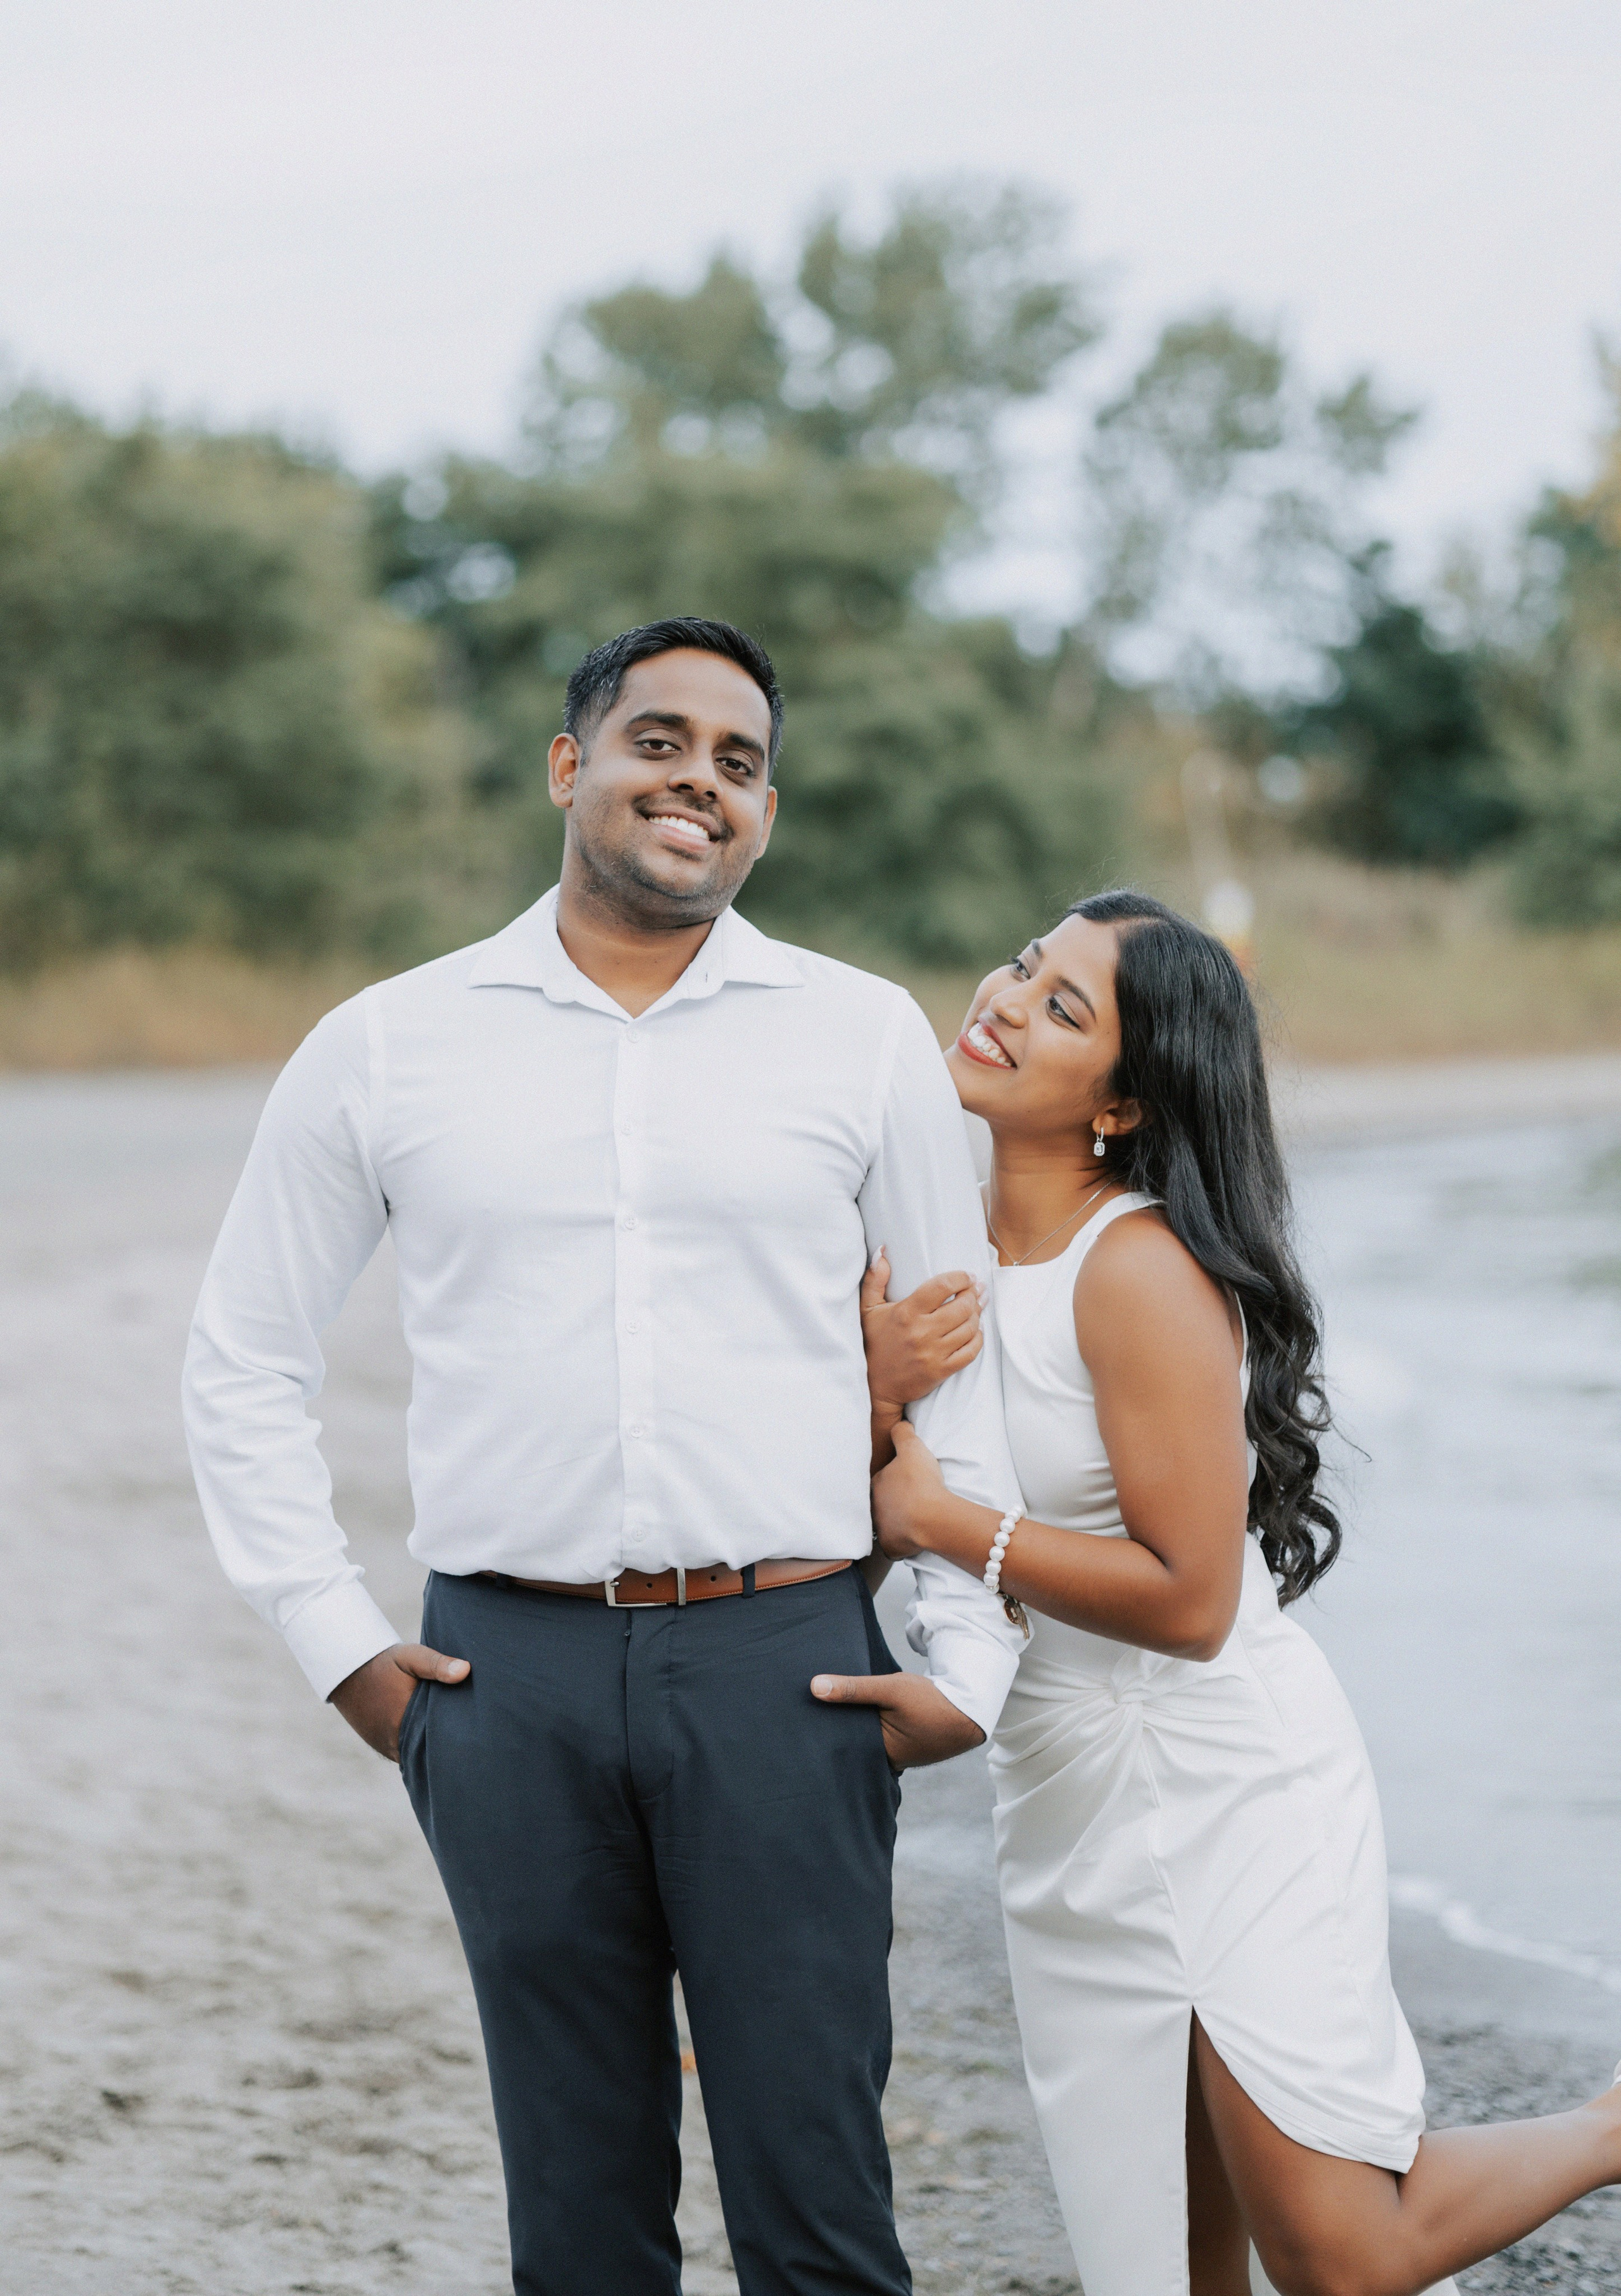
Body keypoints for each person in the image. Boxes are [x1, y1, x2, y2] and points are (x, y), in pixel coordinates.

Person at [181, 617, 1030, 2296]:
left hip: (789, 1666)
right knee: (576, 2211)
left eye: (737, 761)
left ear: (765, 813)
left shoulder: (857, 1036)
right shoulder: (388, 1042)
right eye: (659, 741)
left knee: (821, 2198)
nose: (697, 780)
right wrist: (338, 1640)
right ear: (570, 766)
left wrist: (975, 1658)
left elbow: (960, 1368)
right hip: (505, 1672)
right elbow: (244, 1355)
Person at [840, 890, 1621, 2296]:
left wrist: (945, 1522)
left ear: (1127, 1102)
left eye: (1063, 1006)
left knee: (1336, 2252)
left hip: (1217, 1779)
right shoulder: (928, 1251)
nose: (1006, 998)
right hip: (1061, 1786)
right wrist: (873, 1392)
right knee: (1158, 2254)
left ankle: (1608, 2125)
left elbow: (1193, 1597)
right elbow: (864, 1499)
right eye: (1025, 963)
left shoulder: (1133, 1269)